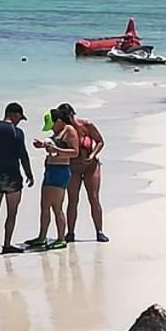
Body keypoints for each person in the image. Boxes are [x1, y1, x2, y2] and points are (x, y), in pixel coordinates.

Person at [0, 102, 34, 257]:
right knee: (12, 212)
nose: (19, 121)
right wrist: (29, 174)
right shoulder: (17, 132)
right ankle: (7, 244)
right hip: (12, 177)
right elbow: (23, 155)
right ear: (13, 114)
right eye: (19, 117)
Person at [24, 109, 78, 249]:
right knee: (44, 206)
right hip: (50, 169)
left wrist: (57, 150)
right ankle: (42, 237)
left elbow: (74, 152)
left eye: (53, 125)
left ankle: (61, 238)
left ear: (59, 121)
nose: (52, 128)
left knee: (56, 207)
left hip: (60, 171)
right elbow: (55, 146)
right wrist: (43, 145)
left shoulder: (69, 130)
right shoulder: (57, 132)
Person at [57, 102, 107, 244]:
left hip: (91, 165)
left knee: (94, 198)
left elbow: (100, 141)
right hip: (73, 168)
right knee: (73, 200)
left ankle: (99, 231)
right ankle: (71, 232)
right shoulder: (64, 131)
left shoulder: (87, 125)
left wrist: (92, 156)